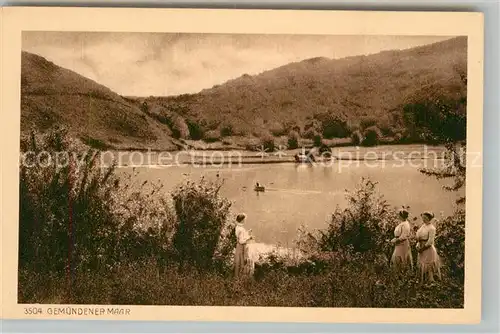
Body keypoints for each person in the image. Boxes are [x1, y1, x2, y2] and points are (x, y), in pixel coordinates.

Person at [416, 211, 442, 283]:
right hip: (421, 247)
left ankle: (430, 282)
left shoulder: (432, 228)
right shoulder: (423, 226)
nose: (423, 219)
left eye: (425, 218)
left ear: (429, 218)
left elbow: (430, 241)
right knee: (422, 263)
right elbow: (419, 236)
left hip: (427, 249)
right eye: (423, 217)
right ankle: (423, 280)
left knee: (428, 264)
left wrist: (422, 248)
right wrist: (418, 244)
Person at [234, 213, 253, 278]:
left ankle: (237, 280)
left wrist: (247, 232)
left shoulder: (238, 227)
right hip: (241, 248)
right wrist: (249, 238)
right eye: (244, 219)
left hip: (238, 247)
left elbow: (241, 237)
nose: (245, 220)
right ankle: (239, 281)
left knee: (238, 264)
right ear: (242, 220)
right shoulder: (241, 229)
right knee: (241, 264)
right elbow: (241, 241)